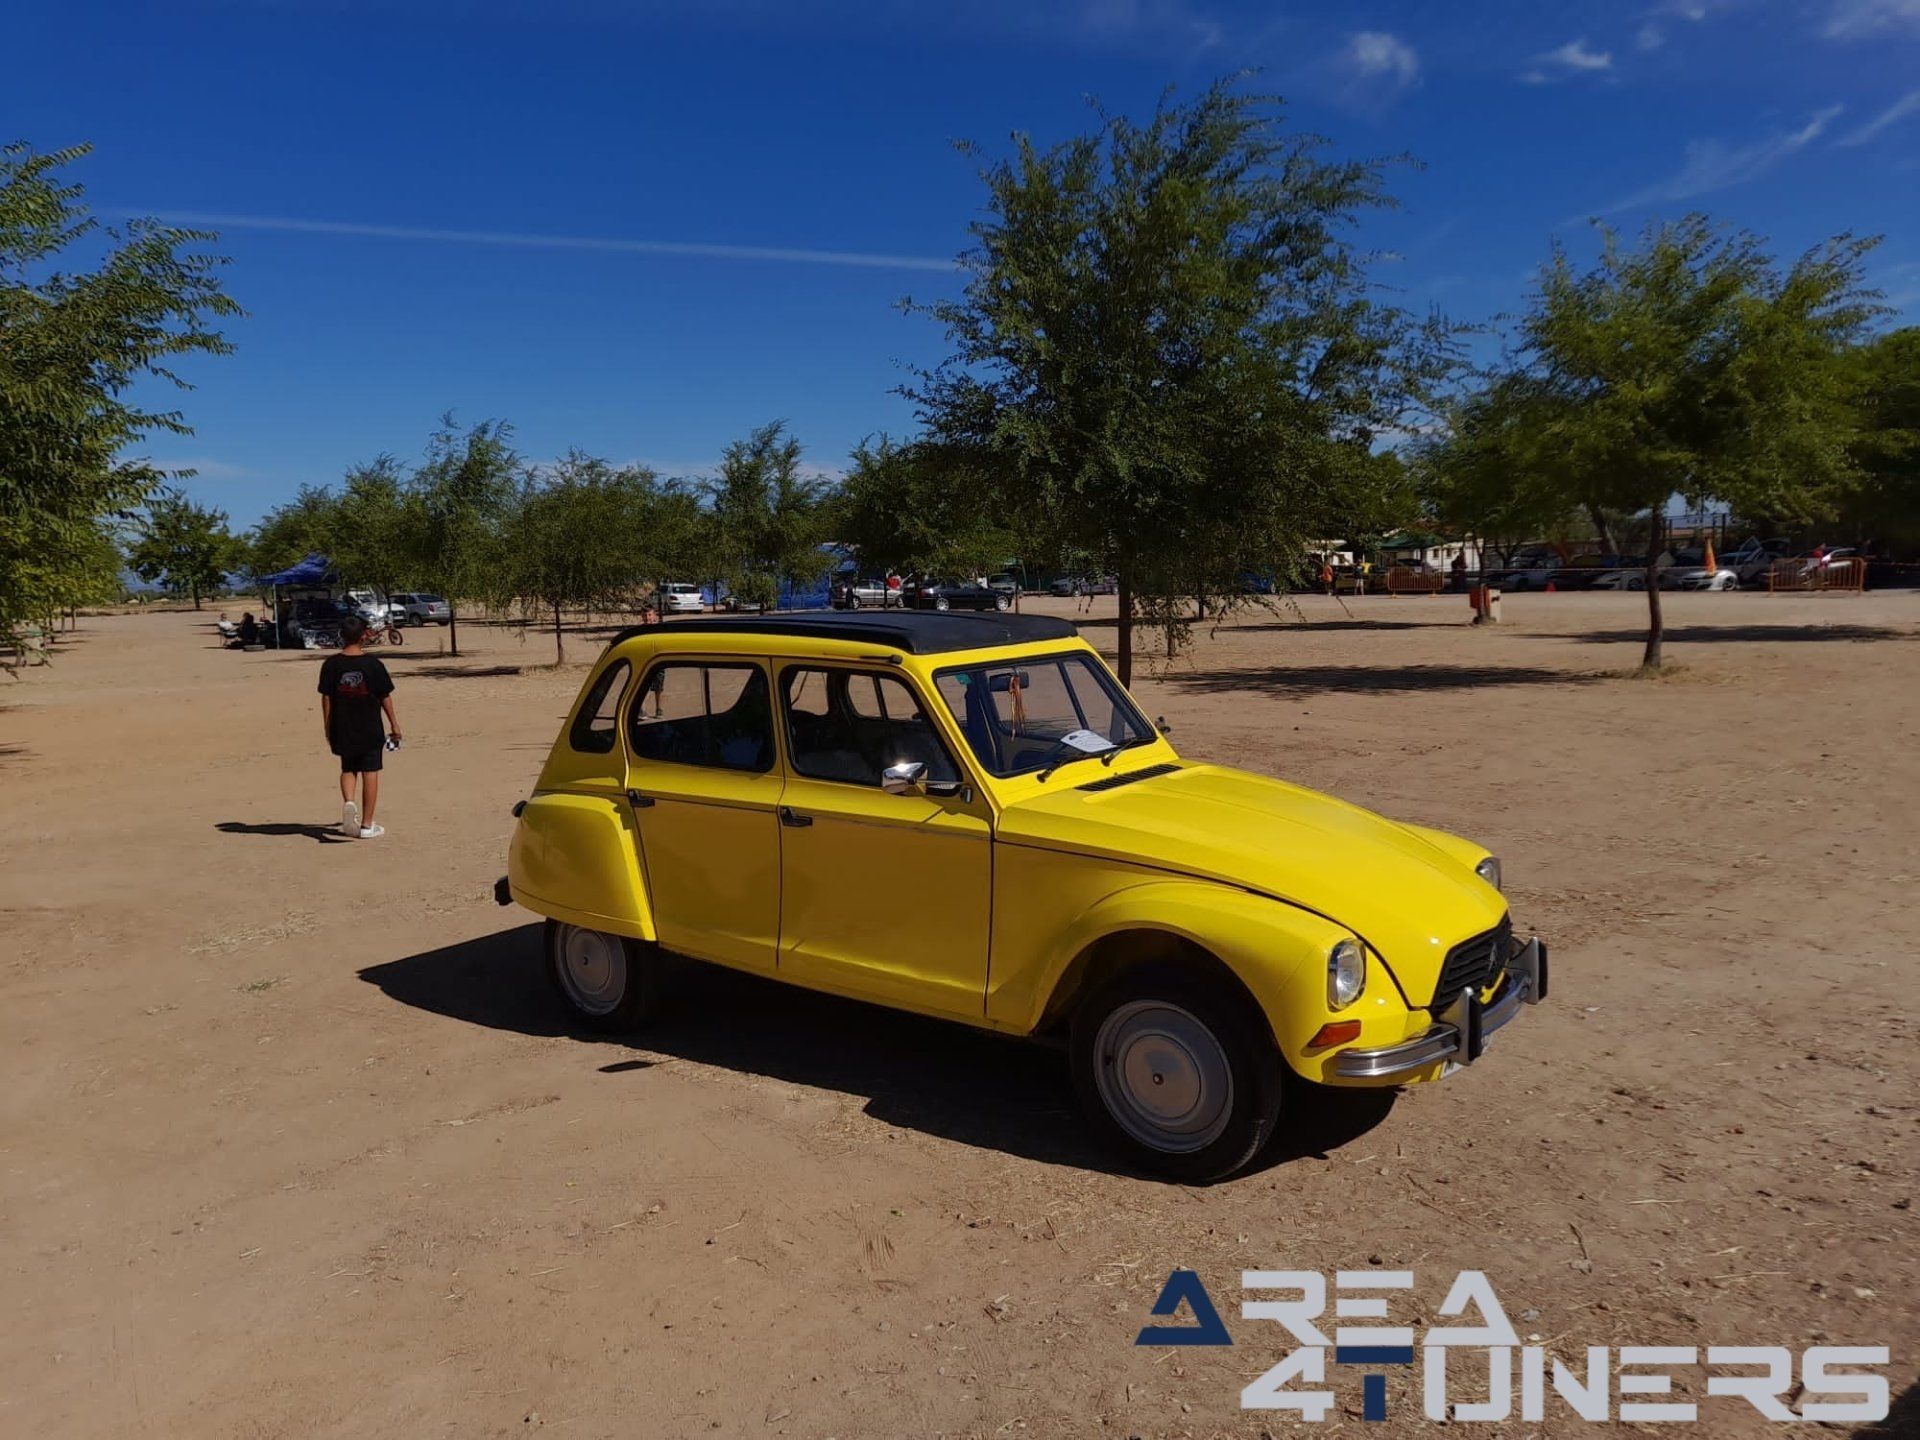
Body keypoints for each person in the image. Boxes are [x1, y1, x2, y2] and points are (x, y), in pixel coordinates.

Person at [317, 614, 401, 838]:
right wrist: (394, 724)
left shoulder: (331, 665)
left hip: (342, 726)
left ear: (341, 635)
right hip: (370, 726)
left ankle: (349, 802)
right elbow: (384, 696)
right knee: (370, 771)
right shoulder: (373, 664)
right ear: (364, 635)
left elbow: (326, 698)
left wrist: (328, 725)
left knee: (348, 768)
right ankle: (367, 825)